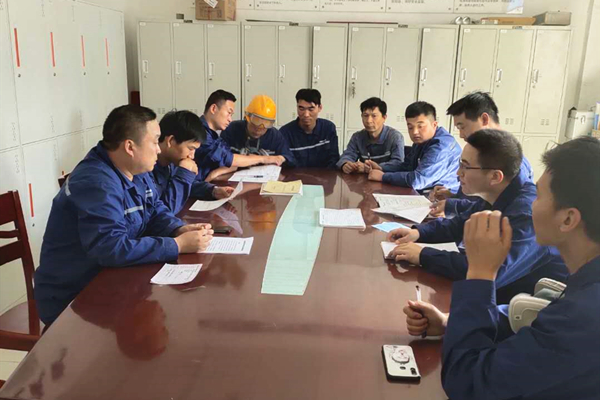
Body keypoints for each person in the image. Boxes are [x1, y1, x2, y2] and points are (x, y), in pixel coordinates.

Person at [404, 137, 600, 400]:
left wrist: (480, 274)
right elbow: (543, 321)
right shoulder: (585, 289)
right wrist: (452, 322)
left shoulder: (586, 315)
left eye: (540, 196)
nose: (532, 202)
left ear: (568, 219)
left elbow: (467, 383)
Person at [34, 105, 214, 326]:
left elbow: (155, 209)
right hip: (74, 296)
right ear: (130, 147)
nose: (158, 150)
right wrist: (176, 245)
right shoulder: (96, 182)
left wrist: (177, 229)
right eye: (154, 141)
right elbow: (111, 247)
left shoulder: (135, 170)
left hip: (111, 279)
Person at [386, 129, 567, 303]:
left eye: (465, 167)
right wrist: (418, 233)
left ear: (495, 177)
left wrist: (423, 255)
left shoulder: (526, 214)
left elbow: (488, 270)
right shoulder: (497, 192)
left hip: (519, 308)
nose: (458, 174)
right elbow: (461, 224)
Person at [429, 92, 534, 217]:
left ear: (484, 119)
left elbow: (492, 209)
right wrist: (452, 196)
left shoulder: (512, 163)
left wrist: (453, 205)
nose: (461, 135)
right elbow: (481, 201)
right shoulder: (482, 151)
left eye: (462, 127)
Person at [193, 90, 284, 183]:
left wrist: (215, 172)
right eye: (229, 113)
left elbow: (231, 162)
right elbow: (230, 159)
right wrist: (264, 159)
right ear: (213, 109)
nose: (230, 119)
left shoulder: (213, 136)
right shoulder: (199, 134)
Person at [368, 101, 461, 192]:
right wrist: (382, 168)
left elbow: (418, 180)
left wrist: (383, 177)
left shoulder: (441, 147)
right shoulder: (421, 140)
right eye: (410, 127)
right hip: (427, 191)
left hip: (444, 196)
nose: (415, 132)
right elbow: (408, 166)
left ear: (434, 125)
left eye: (420, 126)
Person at [153, 110, 234, 214]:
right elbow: (165, 212)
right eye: (190, 148)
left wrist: (213, 190)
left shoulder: (171, 161)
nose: (192, 156)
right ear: (170, 141)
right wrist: (184, 173)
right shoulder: (147, 168)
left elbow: (190, 185)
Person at [219, 94, 295, 168]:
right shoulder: (231, 129)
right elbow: (219, 156)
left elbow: (289, 158)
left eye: (266, 123)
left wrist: (281, 158)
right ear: (247, 118)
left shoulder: (274, 135)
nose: (259, 129)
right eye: (256, 121)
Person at [337, 97, 404, 174]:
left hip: (387, 179)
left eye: (374, 116)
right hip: (363, 180)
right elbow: (348, 155)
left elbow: (398, 163)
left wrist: (371, 168)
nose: (369, 121)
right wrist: (345, 164)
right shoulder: (357, 137)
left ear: (384, 117)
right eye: (365, 115)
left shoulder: (395, 137)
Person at [280, 89, 340, 168]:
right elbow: (284, 162)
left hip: (324, 175)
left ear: (320, 107)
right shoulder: (285, 133)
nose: (306, 114)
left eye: (311, 109)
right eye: (301, 109)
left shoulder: (328, 128)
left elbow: (334, 159)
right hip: (295, 175)